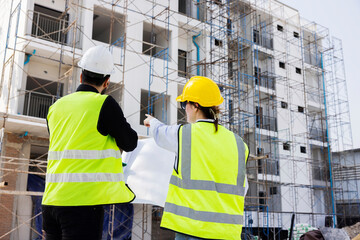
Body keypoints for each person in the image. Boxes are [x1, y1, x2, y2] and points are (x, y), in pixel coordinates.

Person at [42, 45, 138, 240]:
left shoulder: (55, 107)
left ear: (81, 76)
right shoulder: (103, 104)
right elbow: (130, 143)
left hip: (51, 201)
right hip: (82, 206)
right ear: (107, 82)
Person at [144, 76, 249, 240]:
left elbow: (160, 133)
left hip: (192, 230)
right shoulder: (239, 144)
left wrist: (152, 121)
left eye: (184, 104)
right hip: (228, 233)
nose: (184, 108)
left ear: (195, 106)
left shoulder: (185, 134)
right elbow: (243, 188)